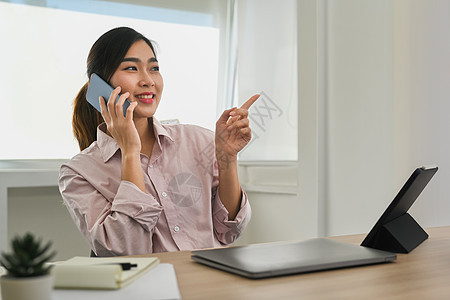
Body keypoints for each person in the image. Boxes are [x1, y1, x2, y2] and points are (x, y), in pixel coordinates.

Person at [58, 27, 259, 256]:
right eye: (131, 68)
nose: (148, 80)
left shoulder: (198, 140)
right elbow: (126, 250)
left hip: (208, 282)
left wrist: (227, 157)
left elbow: (229, 230)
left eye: (154, 68)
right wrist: (130, 153)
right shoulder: (78, 173)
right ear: (100, 86)